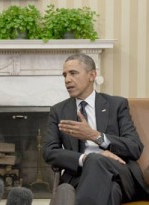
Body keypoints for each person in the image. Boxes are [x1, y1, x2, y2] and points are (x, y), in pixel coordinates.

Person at [42, 53, 149, 205]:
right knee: (111, 190)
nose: (67, 80)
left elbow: (134, 147)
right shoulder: (58, 111)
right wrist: (83, 159)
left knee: (92, 166)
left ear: (92, 75)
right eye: (64, 75)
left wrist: (95, 136)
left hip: (120, 174)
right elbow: (49, 151)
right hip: (81, 177)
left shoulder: (116, 105)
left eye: (73, 73)